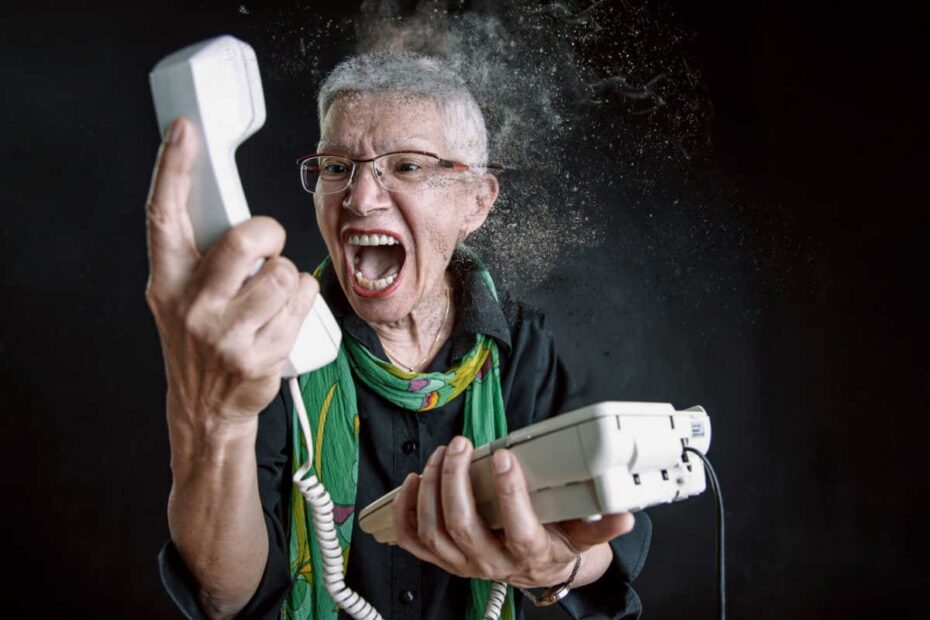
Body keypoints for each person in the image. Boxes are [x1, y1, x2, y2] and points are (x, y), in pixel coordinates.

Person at [147, 52, 651, 620]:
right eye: (336, 167)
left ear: (476, 202)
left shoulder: (525, 345)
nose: (360, 199)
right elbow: (227, 593)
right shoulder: (269, 352)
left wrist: (557, 568)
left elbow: (608, 533)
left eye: (407, 166)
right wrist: (217, 422)